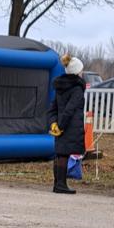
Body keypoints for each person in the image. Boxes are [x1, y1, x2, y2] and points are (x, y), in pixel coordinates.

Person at [48, 55, 86, 194]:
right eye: (81, 70)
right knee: (63, 154)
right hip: (69, 126)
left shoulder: (60, 88)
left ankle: (58, 183)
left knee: (60, 154)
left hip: (60, 125)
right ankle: (61, 185)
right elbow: (70, 109)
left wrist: (54, 124)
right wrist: (62, 127)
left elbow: (53, 108)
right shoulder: (77, 89)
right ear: (77, 72)